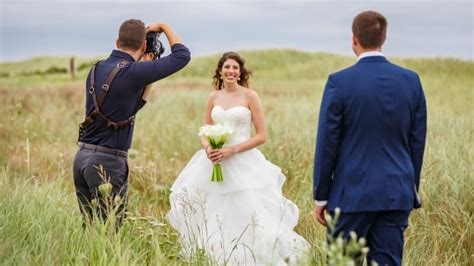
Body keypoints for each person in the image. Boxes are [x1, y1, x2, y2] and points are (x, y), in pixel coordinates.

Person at [167, 52, 309, 265]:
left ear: (240, 72)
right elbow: (205, 130)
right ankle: (215, 254)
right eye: (227, 67)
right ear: (220, 71)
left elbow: (261, 136)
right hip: (214, 159)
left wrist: (231, 151)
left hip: (243, 160)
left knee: (248, 208)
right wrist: (208, 148)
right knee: (213, 210)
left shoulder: (250, 96)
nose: (231, 71)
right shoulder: (213, 97)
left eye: (235, 67)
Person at [313, 10, 427, 266]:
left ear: (354, 39)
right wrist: (410, 189)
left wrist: (321, 195)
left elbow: (327, 143)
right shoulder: (411, 81)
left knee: (343, 262)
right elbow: (417, 142)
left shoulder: (338, 82)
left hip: (350, 196)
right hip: (396, 193)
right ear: (384, 38)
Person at [73, 19, 190, 226]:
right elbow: (182, 56)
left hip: (82, 158)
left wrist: (147, 74)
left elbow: (131, 108)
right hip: (107, 162)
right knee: (110, 230)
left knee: (90, 228)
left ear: (117, 42)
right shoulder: (133, 72)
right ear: (144, 45)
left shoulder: (97, 68)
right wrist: (163, 26)